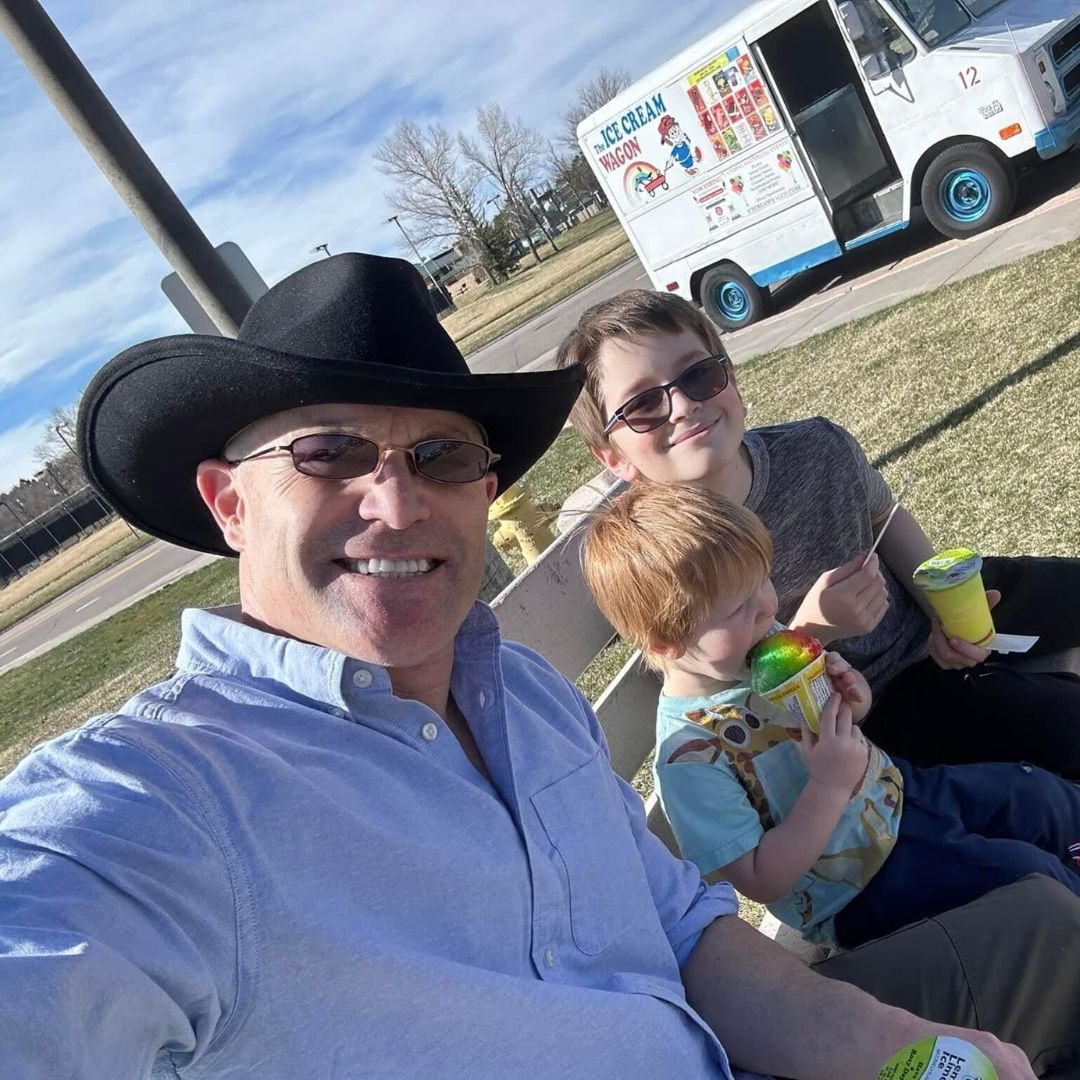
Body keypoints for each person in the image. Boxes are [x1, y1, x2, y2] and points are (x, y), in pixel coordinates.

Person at [0, 253, 1056, 1080]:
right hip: (850, 880)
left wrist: (912, 1055)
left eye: (442, 456)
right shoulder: (165, 805)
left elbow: (690, 934)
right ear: (230, 503)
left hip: (746, 1037)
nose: (397, 502)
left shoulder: (527, 697)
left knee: (1052, 926)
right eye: (329, 453)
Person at [555, 288, 1080, 777]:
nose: (684, 405)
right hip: (867, 714)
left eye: (698, 375)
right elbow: (721, 696)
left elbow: (882, 517)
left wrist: (941, 608)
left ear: (730, 378)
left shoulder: (816, 445)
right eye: (643, 404)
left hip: (929, 625)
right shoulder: (654, 556)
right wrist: (814, 630)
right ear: (611, 456)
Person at [582, 481, 1080, 953]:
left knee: (1038, 796)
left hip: (902, 794)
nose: (767, 609)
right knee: (1027, 874)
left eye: (763, 583)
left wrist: (851, 699)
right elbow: (760, 878)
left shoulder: (763, 644)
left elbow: (840, 724)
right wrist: (829, 786)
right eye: (739, 608)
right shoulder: (688, 756)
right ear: (666, 644)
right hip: (864, 889)